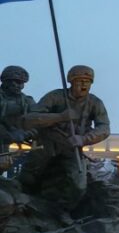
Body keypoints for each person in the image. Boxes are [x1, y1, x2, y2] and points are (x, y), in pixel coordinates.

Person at [20, 65, 110, 210]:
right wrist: (59, 117)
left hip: (71, 147)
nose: (84, 85)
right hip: (47, 144)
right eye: (80, 81)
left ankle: (61, 211)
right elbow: (29, 119)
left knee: (79, 186)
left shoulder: (94, 103)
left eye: (88, 81)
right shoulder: (55, 97)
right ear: (71, 82)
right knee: (28, 178)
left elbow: (104, 128)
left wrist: (84, 139)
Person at [0, 66, 37, 152]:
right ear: (6, 81)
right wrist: (8, 135)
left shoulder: (27, 101)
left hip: (23, 144)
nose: (20, 86)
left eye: (22, 83)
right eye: (17, 82)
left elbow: (38, 119)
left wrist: (26, 134)